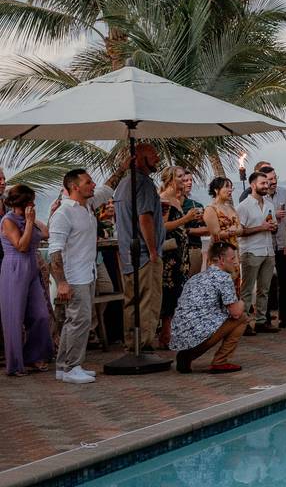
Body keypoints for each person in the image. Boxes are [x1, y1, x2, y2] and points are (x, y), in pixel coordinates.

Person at [48, 170, 102, 384]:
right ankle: (72, 367)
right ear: (75, 187)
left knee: (75, 321)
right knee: (79, 321)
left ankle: (63, 367)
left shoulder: (87, 207)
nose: (93, 184)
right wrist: (61, 282)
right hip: (74, 276)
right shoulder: (64, 213)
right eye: (88, 182)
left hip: (88, 272)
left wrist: (123, 167)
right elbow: (55, 251)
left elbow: (106, 188)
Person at [114, 143, 166, 353]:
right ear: (139, 158)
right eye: (153, 155)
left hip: (128, 254)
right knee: (148, 301)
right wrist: (153, 251)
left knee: (131, 301)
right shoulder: (143, 184)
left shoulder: (124, 184)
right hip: (144, 255)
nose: (157, 158)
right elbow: (145, 218)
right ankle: (143, 343)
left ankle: (131, 342)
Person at [0, 185, 53, 376]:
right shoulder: (8, 221)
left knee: (41, 314)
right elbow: (21, 246)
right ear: (23, 202)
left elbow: (46, 234)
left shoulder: (28, 218)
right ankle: (15, 364)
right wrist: (29, 223)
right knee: (14, 317)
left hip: (32, 267)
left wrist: (34, 219)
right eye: (31, 200)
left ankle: (34, 355)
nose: (34, 203)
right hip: (15, 267)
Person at [171, 241, 247, 374]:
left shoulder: (195, 277)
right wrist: (242, 301)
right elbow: (236, 313)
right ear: (222, 260)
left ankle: (187, 355)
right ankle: (220, 361)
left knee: (221, 315)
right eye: (233, 258)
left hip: (180, 335)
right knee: (242, 318)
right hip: (200, 334)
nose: (236, 262)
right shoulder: (223, 278)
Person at [158, 166, 200, 349]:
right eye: (180, 176)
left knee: (178, 293)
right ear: (170, 179)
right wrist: (186, 218)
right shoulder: (164, 200)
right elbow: (163, 227)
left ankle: (173, 334)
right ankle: (165, 336)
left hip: (181, 252)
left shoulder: (177, 199)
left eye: (185, 176)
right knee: (170, 293)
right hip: (170, 255)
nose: (184, 179)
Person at [237, 171, 278, 334]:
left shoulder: (269, 205)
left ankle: (261, 321)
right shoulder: (243, 206)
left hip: (268, 250)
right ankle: (244, 322)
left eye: (267, 183)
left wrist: (273, 228)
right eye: (263, 183)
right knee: (247, 290)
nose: (266, 186)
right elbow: (239, 231)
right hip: (251, 251)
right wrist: (262, 228)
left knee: (264, 289)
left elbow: (270, 226)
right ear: (253, 185)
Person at [262, 166, 286, 328]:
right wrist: (274, 215)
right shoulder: (259, 197)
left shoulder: (283, 193)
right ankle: (265, 317)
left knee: (285, 282)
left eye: (275, 178)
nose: (273, 182)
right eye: (270, 179)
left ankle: (284, 317)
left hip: (282, 244)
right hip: (266, 245)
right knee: (266, 282)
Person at [203, 176, 242, 286]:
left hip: (234, 251)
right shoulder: (211, 209)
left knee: (234, 284)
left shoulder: (231, 208)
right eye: (226, 187)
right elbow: (216, 234)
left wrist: (233, 231)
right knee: (220, 285)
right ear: (216, 190)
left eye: (231, 187)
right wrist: (232, 231)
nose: (230, 190)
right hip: (219, 252)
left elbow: (241, 230)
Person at [181, 169, 207, 276]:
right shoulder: (169, 203)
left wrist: (188, 230)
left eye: (191, 180)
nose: (189, 182)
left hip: (194, 247)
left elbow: (207, 229)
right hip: (177, 249)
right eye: (185, 180)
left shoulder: (195, 204)